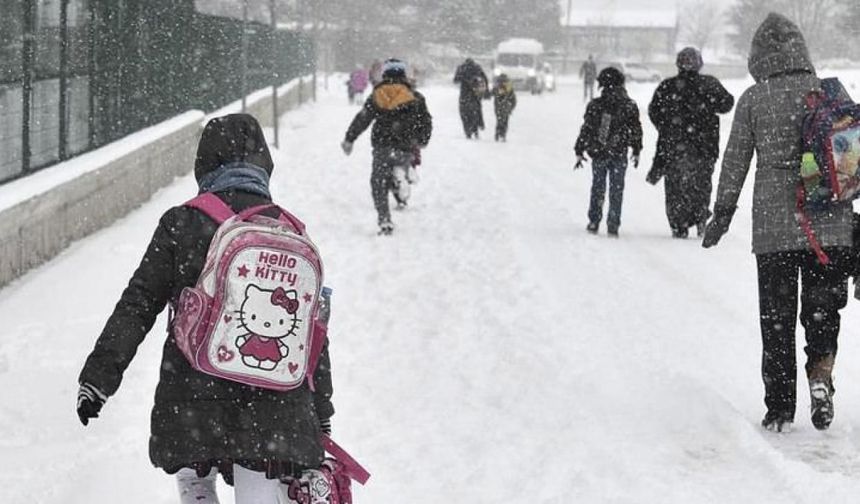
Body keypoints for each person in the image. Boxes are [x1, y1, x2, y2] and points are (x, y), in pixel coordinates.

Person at [76, 114, 335, 503]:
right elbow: (310, 332)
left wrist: (98, 378)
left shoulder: (182, 222)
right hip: (274, 405)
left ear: (204, 164)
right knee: (261, 481)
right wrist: (321, 409)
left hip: (192, 395)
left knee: (194, 470)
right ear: (263, 164)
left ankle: (197, 488)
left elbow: (139, 303)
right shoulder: (288, 231)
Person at [702, 13, 853, 433]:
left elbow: (734, 163)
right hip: (830, 225)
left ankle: (780, 408)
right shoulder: (826, 94)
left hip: (774, 229)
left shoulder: (754, 98)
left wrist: (721, 215)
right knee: (822, 312)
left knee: (777, 319)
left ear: (758, 56)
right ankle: (821, 375)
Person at [647, 47, 735, 238]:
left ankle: (679, 223)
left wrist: (667, 127)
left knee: (675, 187)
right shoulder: (709, 84)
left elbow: (654, 111)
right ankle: (700, 215)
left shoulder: (667, 86)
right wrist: (708, 106)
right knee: (701, 185)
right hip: (704, 146)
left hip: (673, 147)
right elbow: (727, 103)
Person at [341, 58, 433, 236]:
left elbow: (363, 118)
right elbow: (425, 121)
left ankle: (384, 219)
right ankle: (403, 177)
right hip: (406, 145)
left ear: (385, 74)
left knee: (378, 182)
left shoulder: (377, 95)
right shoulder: (415, 97)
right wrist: (422, 140)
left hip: (382, 145)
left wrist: (349, 139)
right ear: (404, 75)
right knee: (400, 165)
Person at [574, 67, 643, 237]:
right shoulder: (629, 105)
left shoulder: (596, 105)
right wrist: (636, 149)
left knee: (598, 187)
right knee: (616, 189)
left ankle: (594, 220)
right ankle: (613, 223)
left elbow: (587, 129)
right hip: (619, 152)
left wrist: (580, 148)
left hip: (599, 152)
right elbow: (636, 129)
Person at [453, 58, 489, 139]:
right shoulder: (477, 67)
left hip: (464, 94)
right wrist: (486, 91)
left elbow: (455, 80)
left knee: (464, 113)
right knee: (476, 111)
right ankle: (477, 127)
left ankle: (467, 131)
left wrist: (463, 79)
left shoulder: (461, 68)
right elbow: (485, 78)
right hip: (475, 93)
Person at [492, 73, 517, 142]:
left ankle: (498, 133)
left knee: (499, 120)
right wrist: (512, 107)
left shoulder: (497, 87)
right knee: (505, 121)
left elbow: (493, 93)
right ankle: (502, 134)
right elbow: (513, 99)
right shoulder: (509, 87)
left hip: (499, 107)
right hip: (506, 107)